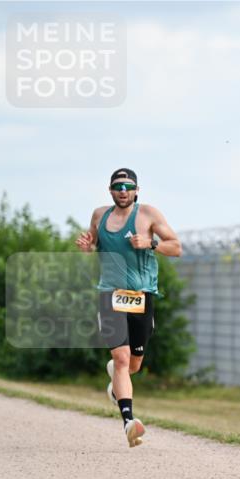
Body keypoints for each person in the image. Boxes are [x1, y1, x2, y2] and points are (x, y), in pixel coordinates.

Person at [75, 168, 182, 447]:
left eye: (128, 186)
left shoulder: (148, 214)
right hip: (110, 294)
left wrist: (151, 243)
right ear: (110, 190)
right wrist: (87, 246)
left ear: (136, 190)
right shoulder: (100, 215)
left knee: (133, 364)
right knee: (122, 359)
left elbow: (176, 247)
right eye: (117, 186)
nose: (123, 191)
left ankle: (116, 384)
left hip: (141, 295)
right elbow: (93, 243)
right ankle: (128, 422)